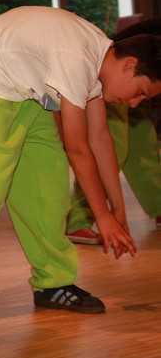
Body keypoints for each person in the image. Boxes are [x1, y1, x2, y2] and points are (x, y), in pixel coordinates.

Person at [0, 6, 161, 334]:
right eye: (141, 92)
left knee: (47, 189)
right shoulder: (78, 59)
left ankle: (53, 282)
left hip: (29, 94)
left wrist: (118, 212)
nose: (134, 103)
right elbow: (78, 148)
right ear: (130, 65)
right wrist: (101, 216)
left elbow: (100, 140)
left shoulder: (98, 61)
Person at [65, 17, 161, 243]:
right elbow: (82, 146)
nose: (136, 102)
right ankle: (78, 219)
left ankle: (158, 204)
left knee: (143, 145)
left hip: (128, 82)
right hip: (112, 81)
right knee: (112, 148)